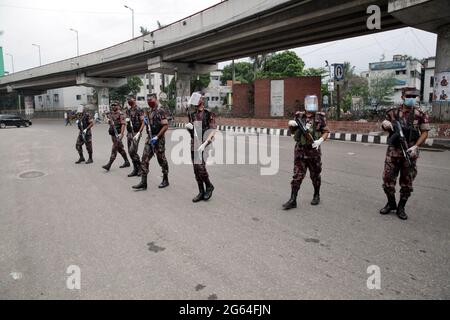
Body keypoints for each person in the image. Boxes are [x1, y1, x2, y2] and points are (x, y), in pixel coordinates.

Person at [380, 87, 430, 220]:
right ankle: (391, 204)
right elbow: (385, 127)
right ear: (402, 97)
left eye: (414, 97)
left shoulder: (420, 114)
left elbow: (425, 132)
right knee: (387, 181)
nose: (412, 99)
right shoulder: (392, 112)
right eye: (409, 96)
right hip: (393, 152)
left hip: (410, 152)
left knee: (407, 183)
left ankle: (401, 207)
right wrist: (385, 124)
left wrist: (416, 146)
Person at [283, 95, 329, 210]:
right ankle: (293, 200)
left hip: (314, 152)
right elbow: (293, 133)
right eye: (308, 104)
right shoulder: (299, 116)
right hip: (300, 151)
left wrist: (320, 141)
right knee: (297, 176)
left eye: (312, 104)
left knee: (315, 175)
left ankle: (316, 195)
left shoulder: (320, 117)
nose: (310, 108)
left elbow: (326, 132)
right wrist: (291, 126)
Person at [132, 94, 169, 190]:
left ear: (156, 99)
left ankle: (165, 179)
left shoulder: (161, 111)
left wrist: (157, 137)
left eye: (151, 99)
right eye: (147, 100)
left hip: (158, 138)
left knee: (161, 160)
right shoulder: (148, 111)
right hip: (149, 138)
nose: (149, 101)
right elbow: (145, 123)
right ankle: (143, 182)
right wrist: (139, 132)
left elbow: (165, 126)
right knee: (144, 159)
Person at [184, 92, 217, 202]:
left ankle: (209, 186)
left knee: (201, 167)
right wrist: (189, 128)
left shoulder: (208, 114)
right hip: (195, 144)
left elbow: (213, 130)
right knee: (195, 170)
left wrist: (205, 143)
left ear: (201, 101)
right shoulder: (192, 114)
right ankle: (201, 191)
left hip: (204, 144)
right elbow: (193, 131)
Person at [102, 101, 130, 171]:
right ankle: (127, 162)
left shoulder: (121, 114)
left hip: (118, 134)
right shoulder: (110, 114)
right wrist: (107, 119)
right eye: (112, 105)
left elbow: (123, 124)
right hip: (112, 134)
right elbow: (107, 120)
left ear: (118, 106)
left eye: (115, 105)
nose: (113, 106)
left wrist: (122, 134)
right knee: (120, 149)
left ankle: (109, 164)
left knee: (114, 148)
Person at [125, 95, 145, 177]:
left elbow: (143, 122)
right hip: (129, 133)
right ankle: (135, 169)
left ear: (134, 99)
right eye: (128, 99)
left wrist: (139, 133)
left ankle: (140, 168)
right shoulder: (128, 110)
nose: (129, 100)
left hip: (136, 133)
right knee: (130, 152)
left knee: (133, 151)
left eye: (130, 99)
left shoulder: (139, 109)